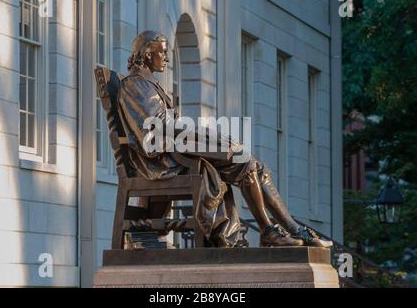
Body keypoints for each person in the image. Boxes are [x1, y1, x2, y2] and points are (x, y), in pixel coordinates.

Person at [117, 30, 332, 248]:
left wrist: (210, 138)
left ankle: (294, 230)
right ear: (146, 54)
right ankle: (269, 230)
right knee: (244, 162)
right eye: (162, 53)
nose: (166, 57)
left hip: (174, 152)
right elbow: (155, 131)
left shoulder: (149, 84)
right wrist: (207, 139)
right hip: (160, 162)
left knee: (255, 164)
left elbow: (171, 127)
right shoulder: (134, 84)